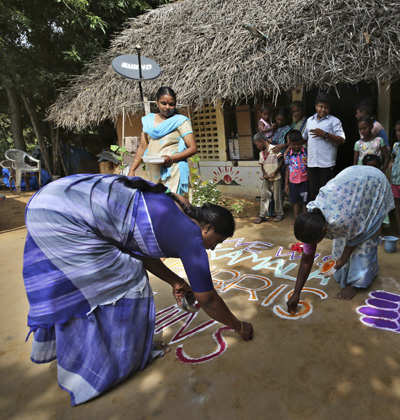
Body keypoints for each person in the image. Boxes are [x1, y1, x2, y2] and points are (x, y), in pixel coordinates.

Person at [22, 174, 253, 406]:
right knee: (126, 284)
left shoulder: (179, 207)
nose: (214, 248)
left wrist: (175, 281)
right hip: (63, 216)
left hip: (56, 200)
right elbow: (209, 299)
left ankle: (96, 349)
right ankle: (107, 364)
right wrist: (239, 325)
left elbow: (138, 250)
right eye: (217, 241)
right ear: (207, 228)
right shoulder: (191, 239)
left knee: (124, 271)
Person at [287, 165, 394, 306]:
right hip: (351, 188)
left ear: (325, 230)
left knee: (365, 241)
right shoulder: (312, 219)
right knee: (341, 242)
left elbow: (355, 236)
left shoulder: (342, 220)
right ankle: (345, 274)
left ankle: (357, 283)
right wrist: (296, 293)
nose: (311, 245)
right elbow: (307, 259)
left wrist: (342, 259)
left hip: (373, 184)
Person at [128, 87, 197, 194]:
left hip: (173, 170)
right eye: (163, 103)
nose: (167, 107)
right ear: (157, 102)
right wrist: (132, 169)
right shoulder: (148, 121)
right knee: (156, 204)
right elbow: (142, 147)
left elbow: (192, 148)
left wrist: (171, 158)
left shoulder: (180, 121)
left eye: (171, 104)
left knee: (172, 203)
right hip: (153, 171)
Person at [303, 94, 346, 201]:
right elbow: (304, 138)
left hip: (326, 163)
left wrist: (325, 134)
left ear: (329, 109)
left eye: (326, 107)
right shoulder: (309, 121)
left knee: (326, 192)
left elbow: (342, 140)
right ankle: (315, 215)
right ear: (316, 106)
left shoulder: (334, 121)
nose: (323, 109)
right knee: (313, 192)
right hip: (312, 162)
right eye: (320, 106)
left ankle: (325, 216)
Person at [253, 133, 284, 223]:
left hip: (276, 176)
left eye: (257, 144)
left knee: (277, 196)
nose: (257, 146)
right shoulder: (261, 153)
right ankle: (262, 215)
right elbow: (262, 165)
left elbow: (281, 160)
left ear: (262, 141)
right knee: (264, 195)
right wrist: (265, 174)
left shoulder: (274, 148)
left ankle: (279, 214)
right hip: (267, 177)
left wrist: (275, 172)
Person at [284, 130, 309, 219]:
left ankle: (305, 219)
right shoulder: (288, 155)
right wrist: (286, 184)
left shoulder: (306, 152)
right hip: (293, 182)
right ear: (290, 144)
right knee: (295, 202)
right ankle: (297, 219)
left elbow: (309, 167)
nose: (297, 146)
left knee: (304, 201)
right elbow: (287, 169)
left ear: (302, 142)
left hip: (304, 181)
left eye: (299, 144)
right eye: (294, 144)